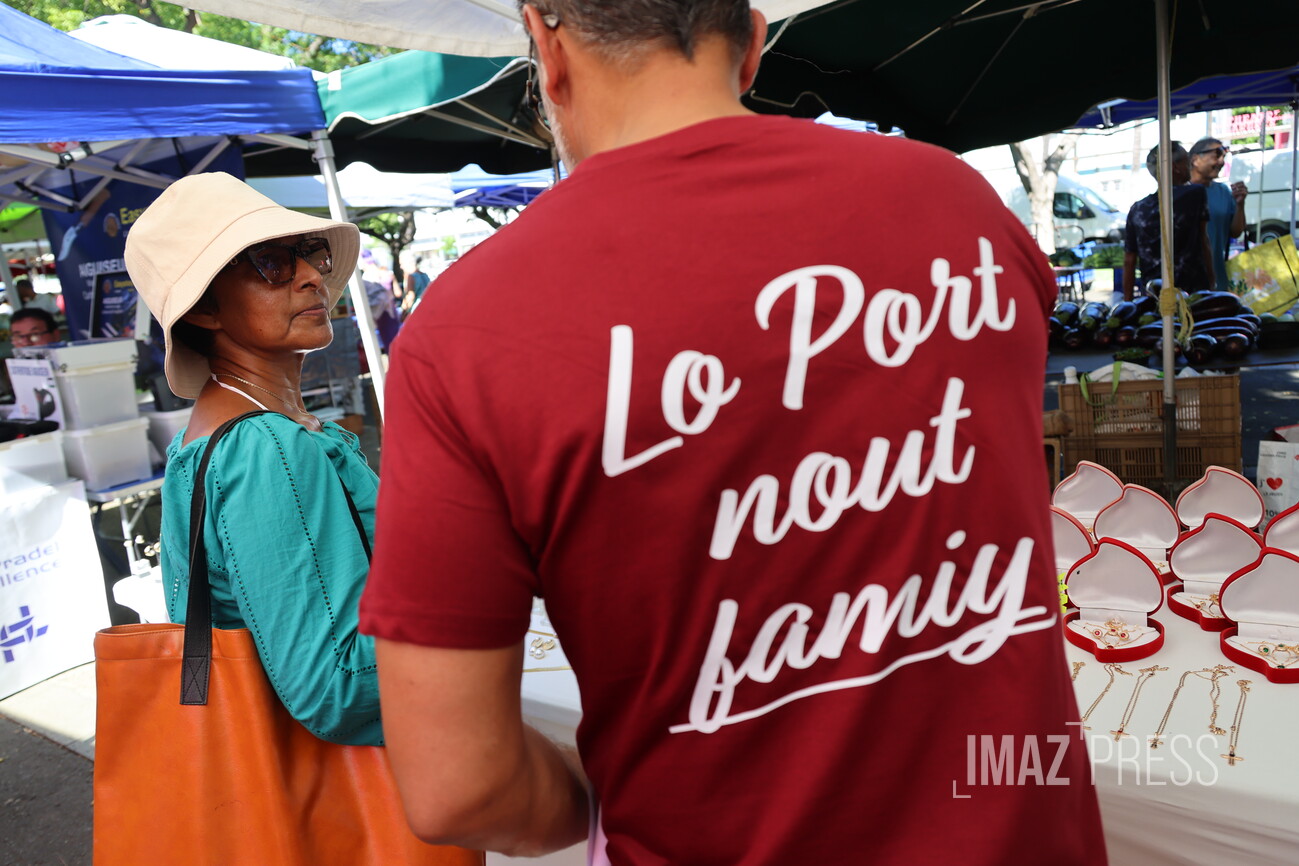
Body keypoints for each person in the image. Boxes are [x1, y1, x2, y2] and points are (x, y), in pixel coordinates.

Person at [360, 2, 1104, 864]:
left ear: (546, 46)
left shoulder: (467, 330)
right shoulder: (961, 209)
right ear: (752, 43)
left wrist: (596, 805)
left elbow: (459, 785)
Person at [122, 172, 388, 745]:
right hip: (368, 767)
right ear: (204, 309)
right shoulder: (265, 447)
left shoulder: (224, 435)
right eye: (272, 264)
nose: (313, 276)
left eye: (310, 253)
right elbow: (335, 687)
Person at [1123, 141, 1214, 300]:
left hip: (1155, 294)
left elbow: (1129, 260)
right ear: (1175, 167)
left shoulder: (1137, 209)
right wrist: (1212, 280)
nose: (1190, 166)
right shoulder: (1195, 194)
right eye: (1186, 161)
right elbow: (1203, 239)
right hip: (1192, 292)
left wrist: (1128, 301)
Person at [1188, 137, 1248, 291]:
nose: (1221, 161)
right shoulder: (1179, 193)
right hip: (1185, 282)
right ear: (1195, 159)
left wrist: (1240, 204)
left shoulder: (1224, 192)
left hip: (1217, 280)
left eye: (1223, 156)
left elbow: (1236, 232)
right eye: (1217, 155)